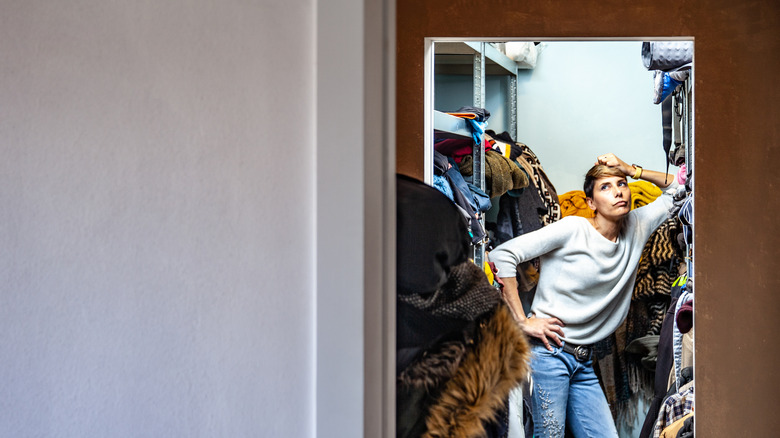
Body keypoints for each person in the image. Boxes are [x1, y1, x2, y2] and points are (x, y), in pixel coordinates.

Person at [488, 153, 680, 437]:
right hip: (548, 355)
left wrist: (632, 169)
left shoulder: (638, 226)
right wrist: (521, 320)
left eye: (621, 183)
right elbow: (502, 254)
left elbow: (682, 188)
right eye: (605, 187)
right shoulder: (572, 229)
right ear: (591, 203)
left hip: (584, 360)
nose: (618, 191)